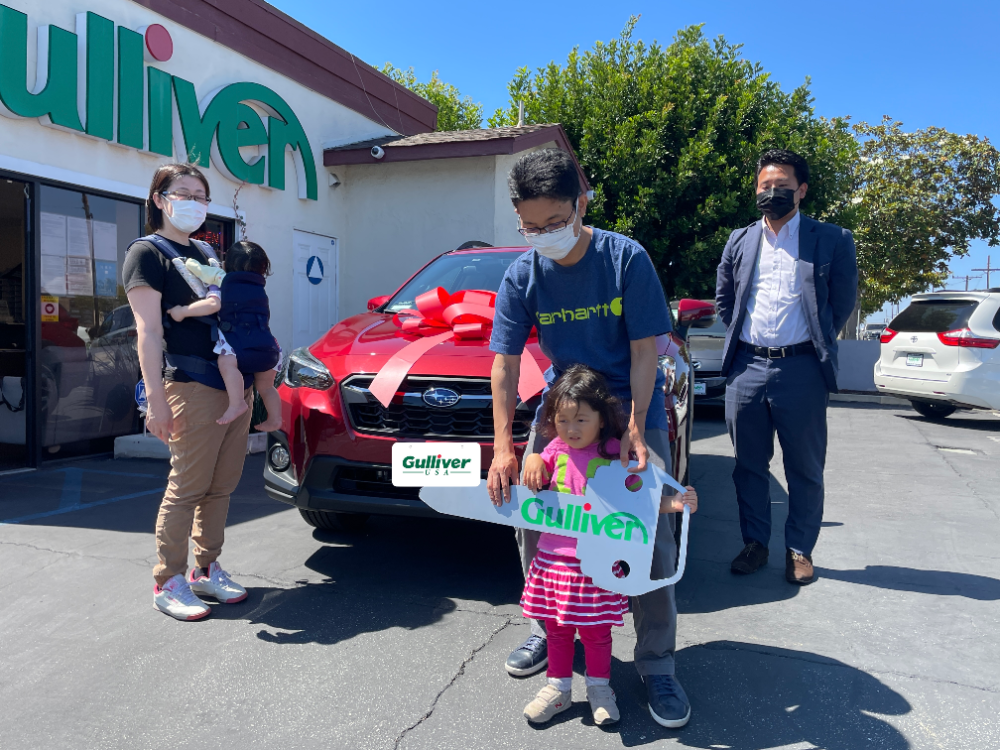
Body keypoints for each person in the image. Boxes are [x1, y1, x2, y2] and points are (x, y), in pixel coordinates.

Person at [488, 148, 694, 728]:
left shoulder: (625, 258)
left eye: (554, 222)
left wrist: (637, 425)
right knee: (536, 520)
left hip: (630, 408)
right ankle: (548, 628)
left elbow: (644, 350)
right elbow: (504, 363)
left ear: (580, 205)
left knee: (647, 538)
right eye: (530, 227)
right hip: (564, 412)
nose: (544, 236)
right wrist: (504, 448)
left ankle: (657, 663)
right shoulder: (523, 274)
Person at [519, 365, 698, 726]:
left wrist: (674, 503)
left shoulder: (618, 454)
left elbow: (638, 501)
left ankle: (600, 689)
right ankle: (558, 688)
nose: (571, 429)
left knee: (597, 633)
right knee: (557, 630)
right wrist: (534, 458)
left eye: (581, 420)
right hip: (555, 564)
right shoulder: (553, 451)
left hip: (598, 565)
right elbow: (531, 488)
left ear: (602, 420)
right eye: (563, 420)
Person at [715, 148, 858, 585]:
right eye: (765, 185)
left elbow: (841, 303)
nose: (772, 192)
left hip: (802, 369)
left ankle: (799, 550)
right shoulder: (740, 240)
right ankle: (755, 544)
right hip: (746, 368)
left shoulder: (832, 239)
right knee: (748, 466)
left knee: (804, 469)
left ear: (802, 190)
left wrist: (812, 339)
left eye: (782, 186)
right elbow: (725, 300)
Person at [124, 163, 253, 621]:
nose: (195, 203)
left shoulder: (205, 251)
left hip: (232, 384)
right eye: (184, 193)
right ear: (159, 199)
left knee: (221, 487)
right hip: (190, 384)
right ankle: (168, 580)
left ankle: (206, 568)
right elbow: (148, 332)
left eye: (201, 196)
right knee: (187, 488)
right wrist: (156, 401)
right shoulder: (146, 253)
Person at [167, 241, 282, 431]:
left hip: (239, 347)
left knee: (226, 364)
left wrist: (183, 310)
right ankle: (276, 419)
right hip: (269, 349)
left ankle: (237, 403)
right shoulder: (259, 287)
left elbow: (211, 300)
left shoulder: (222, 278)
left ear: (226, 264)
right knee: (267, 387)